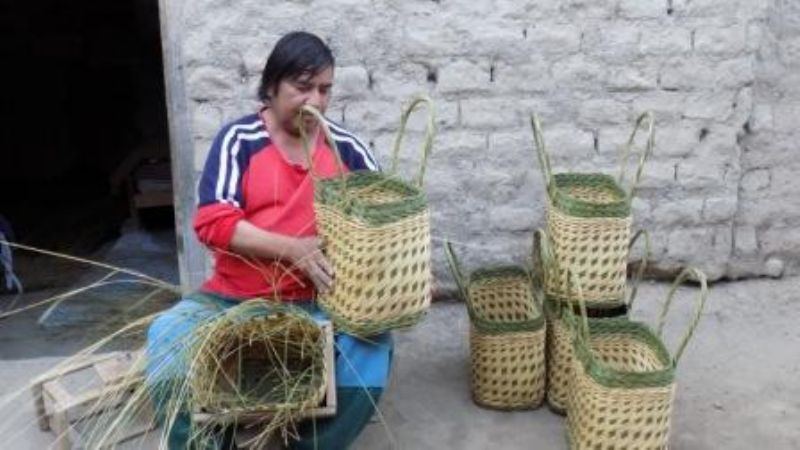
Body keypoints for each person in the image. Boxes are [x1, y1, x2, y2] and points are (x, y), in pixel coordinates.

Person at [145, 31, 392, 450]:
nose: (316, 101)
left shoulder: (347, 150)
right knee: (166, 335)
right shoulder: (239, 140)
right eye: (302, 87)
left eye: (325, 89)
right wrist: (294, 249)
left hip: (318, 305)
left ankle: (311, 444)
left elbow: (383, 223)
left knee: (373, 345)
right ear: (272, 86)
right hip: (232, 300)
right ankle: (203, 443)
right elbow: (213, 223)